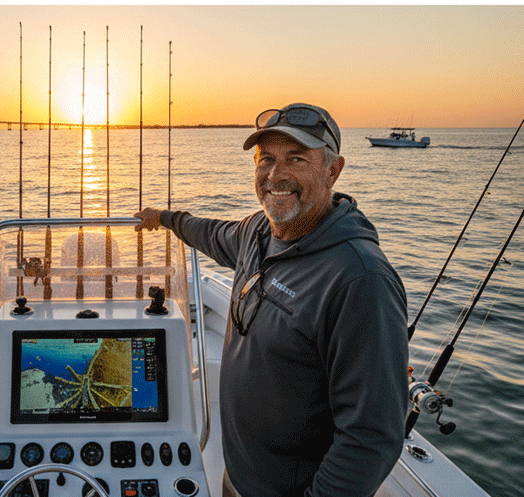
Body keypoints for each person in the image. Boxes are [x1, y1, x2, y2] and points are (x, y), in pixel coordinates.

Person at [134, 103, 409, 497]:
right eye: (266, 160)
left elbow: (371, 437)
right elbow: (209, 232)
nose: (275, 175)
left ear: (333, 170)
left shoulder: (361, 280)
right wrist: (164, 217)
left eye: (296, 159)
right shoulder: (258, 231)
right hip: (238, 478)